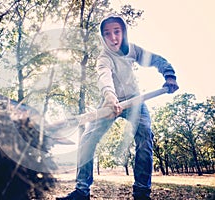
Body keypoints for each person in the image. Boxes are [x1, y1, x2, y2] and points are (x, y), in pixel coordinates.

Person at [56, 14, 179, 200]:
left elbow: (155, 60)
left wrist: (169, 74)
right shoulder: (104, 57)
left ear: (123, 32)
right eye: (107, 34)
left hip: (136, 101)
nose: (113, 38)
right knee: (88, 139)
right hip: (110, 103)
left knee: (145, 136)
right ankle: (82, 190)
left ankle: (142, 193)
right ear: (103, 37)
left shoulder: (133, 50)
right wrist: (110, 97)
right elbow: (104, 76)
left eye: (116, 32)